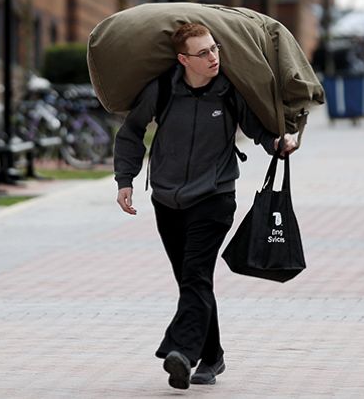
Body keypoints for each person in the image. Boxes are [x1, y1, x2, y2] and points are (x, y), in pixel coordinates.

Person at [113, 23, 297, 390]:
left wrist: (279, 142)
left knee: (196, 274)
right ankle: (213, 356)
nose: (213, 57)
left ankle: (181, 350)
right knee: (191, 280)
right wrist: (125, 180)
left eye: (215, 49)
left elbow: (259, 128)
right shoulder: (163, 89)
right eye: (203, 53)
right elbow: (132, 131)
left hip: (214, 197)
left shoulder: (229, 91)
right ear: (183, 60)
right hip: (166, 198)